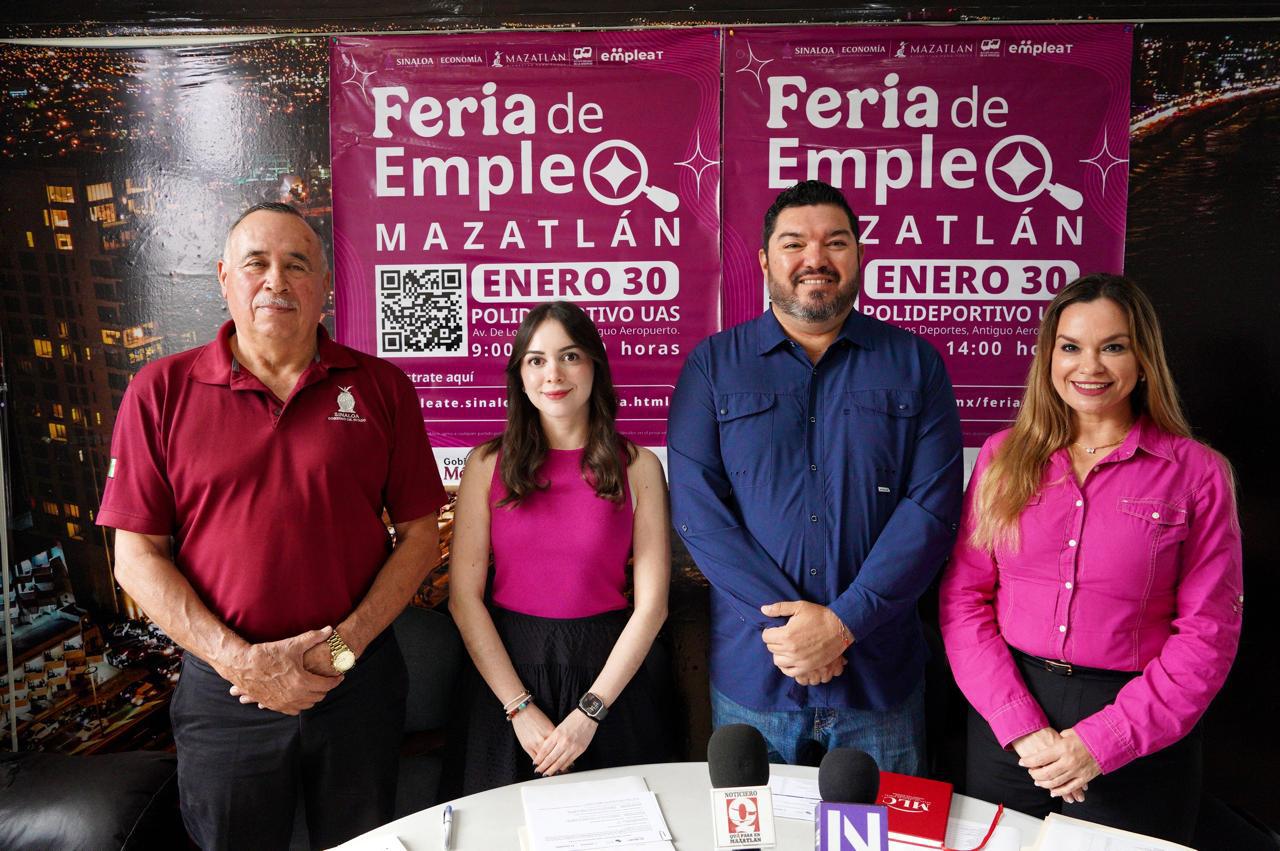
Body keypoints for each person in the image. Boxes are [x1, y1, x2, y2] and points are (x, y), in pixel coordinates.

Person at [97, 202, 447, 850]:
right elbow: (136, 556)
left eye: (297, 265)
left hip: (355, 682)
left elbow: (421, 537)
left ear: (326, 285)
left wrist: (338, 650)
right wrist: (243, 663)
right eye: (256, 263)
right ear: (224, 278)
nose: (275, 282)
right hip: (225, 690)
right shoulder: (159, 390)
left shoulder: (382, 388)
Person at [667, 180, 963, 772]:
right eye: (794, 243)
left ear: (859, 255)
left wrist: (845, 623)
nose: (815, 258)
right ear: (765, 261)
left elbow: (931, 510)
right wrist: (795, 633)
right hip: (757, 678)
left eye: (835, 242)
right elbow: (700, 514)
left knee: (881, 828)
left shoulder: (915, 363)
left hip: (878, 681)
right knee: (758, 827)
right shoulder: (713, 367)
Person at [939, 274, 1242, 843]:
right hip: (1008, 719)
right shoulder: (1003, 458)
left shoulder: (1198, 473)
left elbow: (1209, 632)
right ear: (1049, 357)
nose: (1090, 367)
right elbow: (964, 599)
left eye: (1114, 347)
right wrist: (1019, 725)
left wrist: (1103, 742)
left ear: (1144, 360)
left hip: (1139, 727)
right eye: (1071, 347)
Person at [448, 300, 673, 794]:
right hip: (506, 677)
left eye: (570, 356)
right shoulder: (484, 464)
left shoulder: (639, 466)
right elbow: (464, 599)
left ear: (595, 365)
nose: (553, 373)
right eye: (536, 360)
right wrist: (519, 708)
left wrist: (590, 712)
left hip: (610, 678)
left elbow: (652, 606)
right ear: (520, 375)